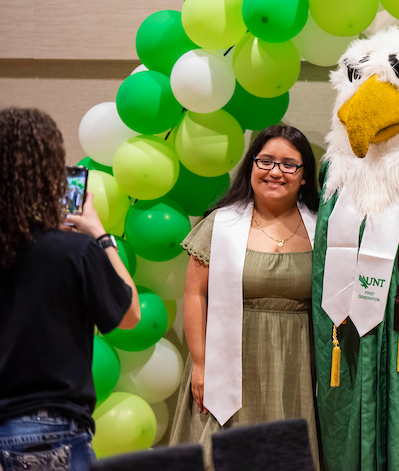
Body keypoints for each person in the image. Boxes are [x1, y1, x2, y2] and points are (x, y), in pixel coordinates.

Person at [169, 125, 320, 469]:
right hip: (229, 361)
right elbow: (195, 294)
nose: (275, 172)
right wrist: (201, 363)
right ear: (251, 166)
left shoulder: (321, 228)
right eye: (265, 161)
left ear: (305, 176)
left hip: (295, 365)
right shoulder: (221, 224)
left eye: (288, 164)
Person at [0, 107, 141, 471]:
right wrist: (99, 235)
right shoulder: (73, 251)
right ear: (50, 170)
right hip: (48, 430)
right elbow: (130, 315)